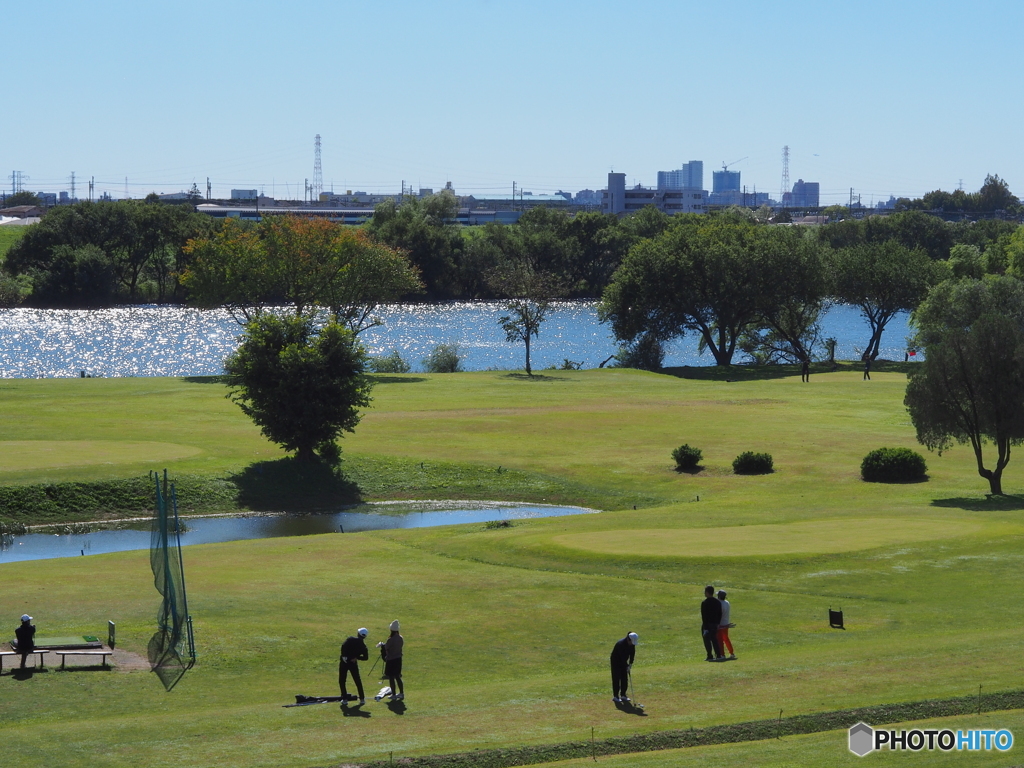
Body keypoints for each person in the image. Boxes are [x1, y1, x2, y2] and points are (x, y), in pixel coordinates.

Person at [339, 627, 369, 704]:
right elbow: (366, 657)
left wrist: (344, 656)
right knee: (357, 681)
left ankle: (344, 698)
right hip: (353, 663)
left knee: (342, 680)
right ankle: (362, 698)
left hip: (344, 662)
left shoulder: (350, 639)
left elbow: (343, 646)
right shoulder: (363, 646)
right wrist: (357, 657)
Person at [379, 620, 404, 701]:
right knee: (397, 676)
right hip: (398, 659)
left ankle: (393, 694)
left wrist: (382, 646)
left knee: (391, 677)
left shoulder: (391, 639)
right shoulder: (400, 638)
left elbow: (387, 647)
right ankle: (401, 693)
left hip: (391, 660)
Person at [609, 632, 638, 703]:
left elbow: (632, 654)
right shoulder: (620, 644)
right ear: (628, 639)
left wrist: (630, 664)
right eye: (631, 642)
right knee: (616, 678)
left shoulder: (632, 644)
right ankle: (616, 696)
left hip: (623, 661)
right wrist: (626, 666)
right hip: (616, 662)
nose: (632, 644)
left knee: (624, 678)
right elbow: (621, 658)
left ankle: (623, 695)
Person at [701, 586, 724, 661]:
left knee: (707, 641)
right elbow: (720, 613)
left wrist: (705, 628)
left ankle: (710, 655)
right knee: (714, 639)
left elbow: (704, 616)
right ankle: (718, 654)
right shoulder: (717, 602)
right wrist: (718, 623)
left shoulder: (704, 603)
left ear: (707, 592)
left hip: (707, 624)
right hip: (715, 624)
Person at [717, 590, 736, 660]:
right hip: (726, 623)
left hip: (721, 624)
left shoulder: (719, 603)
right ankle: (731, 653)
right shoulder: (727, 603)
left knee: (720, 640)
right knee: (726, 639)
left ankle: (722, 654)